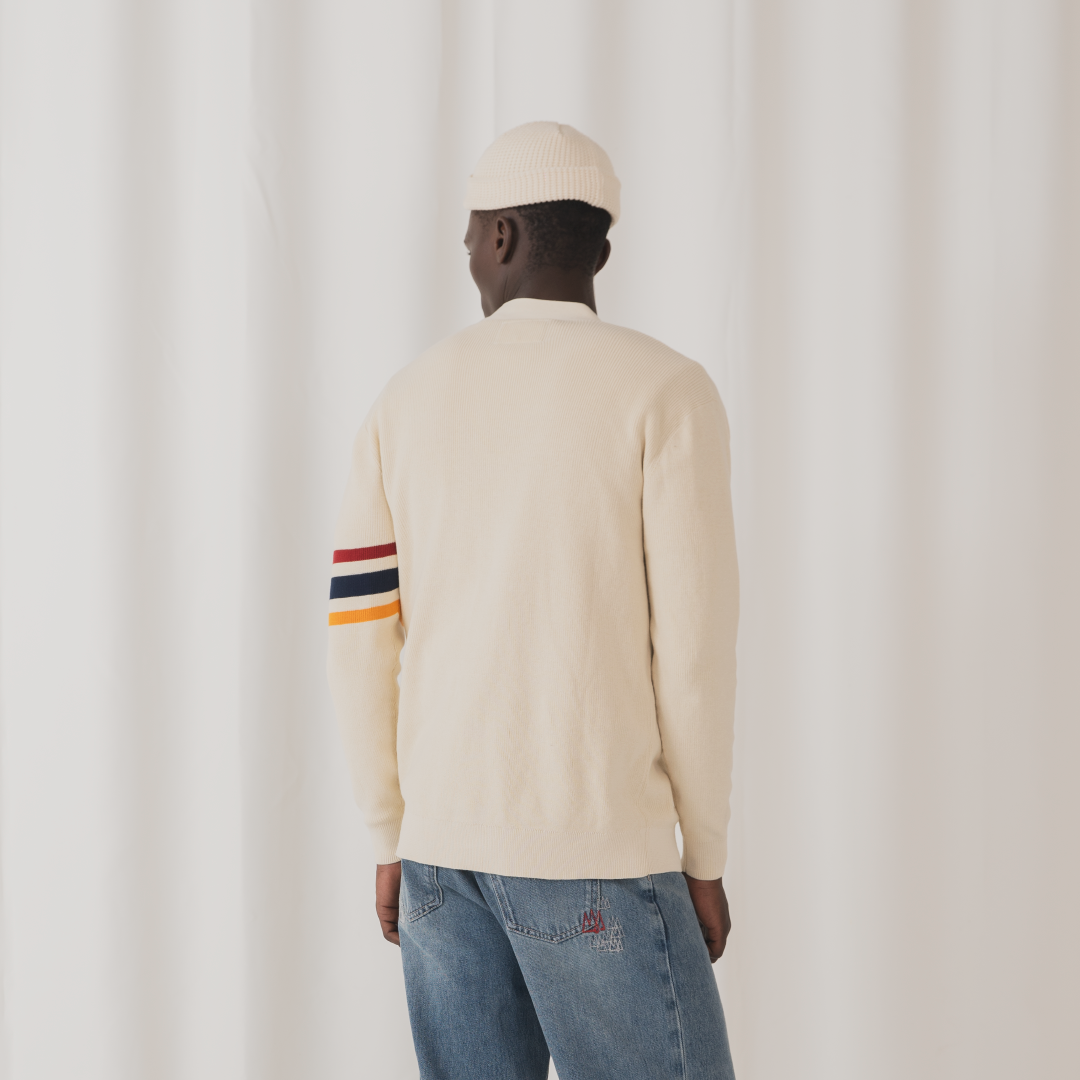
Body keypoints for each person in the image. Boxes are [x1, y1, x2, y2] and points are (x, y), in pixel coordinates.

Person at [327, 121, 739, 1080]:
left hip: (440, 854)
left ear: (502, 234)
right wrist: (704, 854)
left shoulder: (403, 402)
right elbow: (694, 652)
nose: (469, 252)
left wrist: (390, 833)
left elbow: (361, 634)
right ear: (601, 251)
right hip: (597, 845)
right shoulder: (667, 392)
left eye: (472, 233)